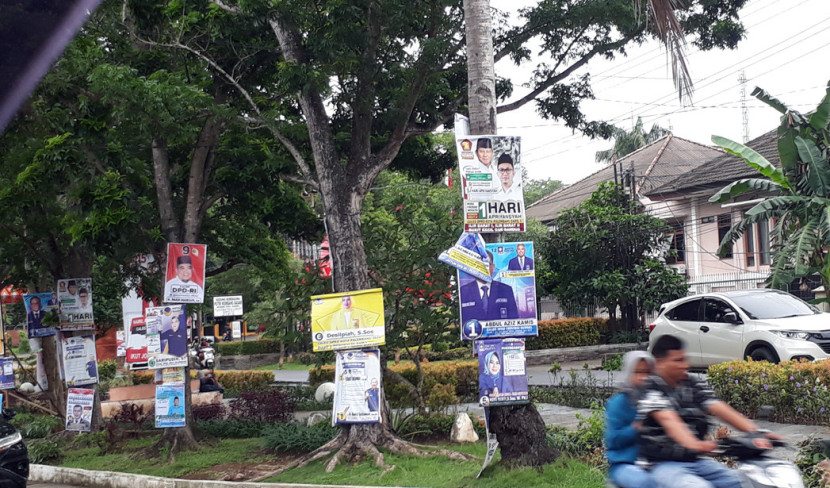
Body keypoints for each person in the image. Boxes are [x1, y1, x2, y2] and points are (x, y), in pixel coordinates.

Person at [638, 335, 781, 488]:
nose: (684, 365)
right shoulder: (650, 388)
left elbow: (717, 406)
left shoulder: (691, 383)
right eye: (677, 361)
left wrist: (757, 431)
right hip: (660, 465)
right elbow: (669, 420)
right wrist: (697, 444)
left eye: (684, 359)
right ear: (660, 362)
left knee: (742, 482)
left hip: (695, 462)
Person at [605, 351, 656, 488]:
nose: (643, 377)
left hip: (655, 461)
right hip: (624, 464)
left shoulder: (657, 399)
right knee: (645, 482)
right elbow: (613, 439)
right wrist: (635, 428)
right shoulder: (618, 403)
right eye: (638, 372)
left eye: (647, 372)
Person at [459, 251, 518, 321]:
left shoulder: (506, 290)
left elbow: (514, 321)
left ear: (492, 268)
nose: (483, 268)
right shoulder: (463, 291)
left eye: (486, 265)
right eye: (479, 264)